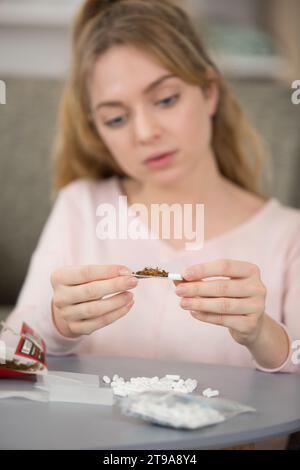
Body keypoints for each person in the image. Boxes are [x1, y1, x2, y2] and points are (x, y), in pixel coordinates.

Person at [1, 0, 299, 378]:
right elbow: (11, 349)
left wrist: (263, 334)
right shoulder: (82, 207)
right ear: (97, 129)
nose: (145, 133)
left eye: (166, 100)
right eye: (116, 118)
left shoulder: (288, 236)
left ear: (209, 91)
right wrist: (55, 323)